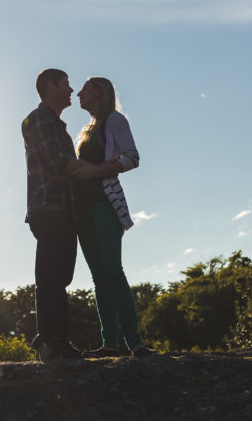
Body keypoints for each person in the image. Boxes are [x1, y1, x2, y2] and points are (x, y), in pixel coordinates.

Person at [71, 77, 156, 358]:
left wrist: (93, 171)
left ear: (99, 91)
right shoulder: (86, 129)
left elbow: (132, 158)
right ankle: (110, 344)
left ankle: (136, 344)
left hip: (104, 205)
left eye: (84, 88)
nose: (78, 94)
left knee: (112, 272)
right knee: (98, 276)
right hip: (81, 209)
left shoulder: (114, 120)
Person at [22, 68, 87, 361]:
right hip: (48, 207)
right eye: (65, 84)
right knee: (50, 276)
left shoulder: (58, 126)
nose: (71, 90)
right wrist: (101, 168)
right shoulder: (39, 119)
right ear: (49, 87)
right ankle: (48, 341)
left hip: (63, 209)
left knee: (61, 276)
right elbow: (58, 161)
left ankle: (58, 340)